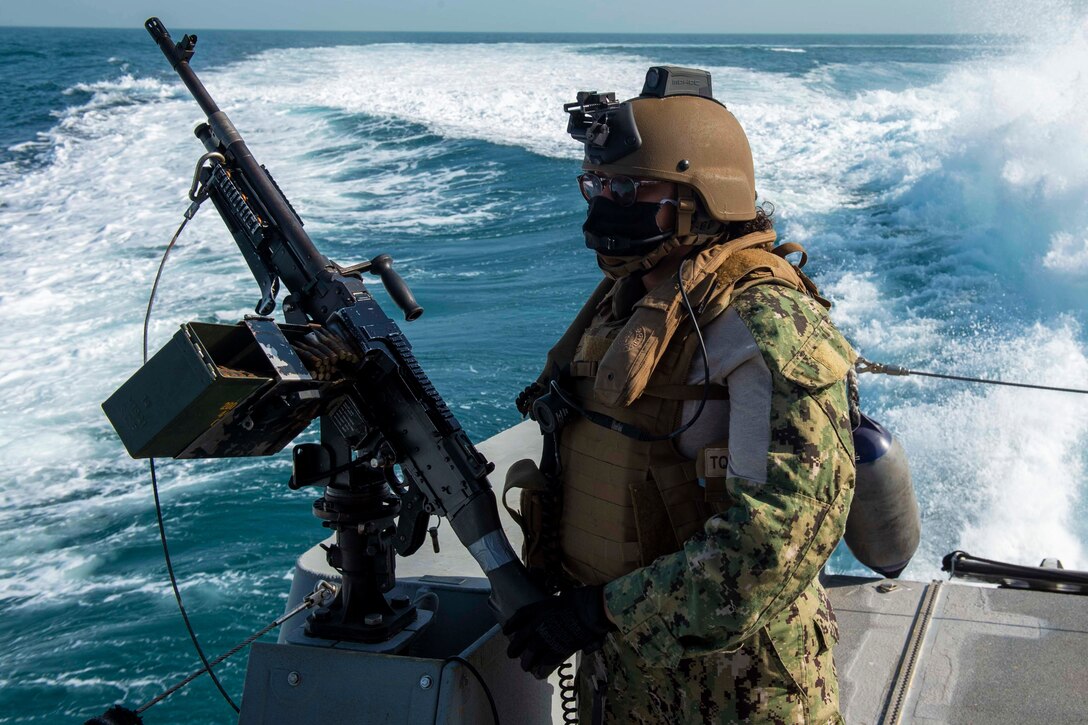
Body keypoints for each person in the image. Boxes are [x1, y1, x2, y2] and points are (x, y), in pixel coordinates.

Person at [501, 66, 856, 724]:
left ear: (703, 194)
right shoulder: (628, 302)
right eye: (597, 183)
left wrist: (601, 610)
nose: (605, 200)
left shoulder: (764, 324)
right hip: (626, 674)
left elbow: (773, 547)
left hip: (740, 692)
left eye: (631, 188)